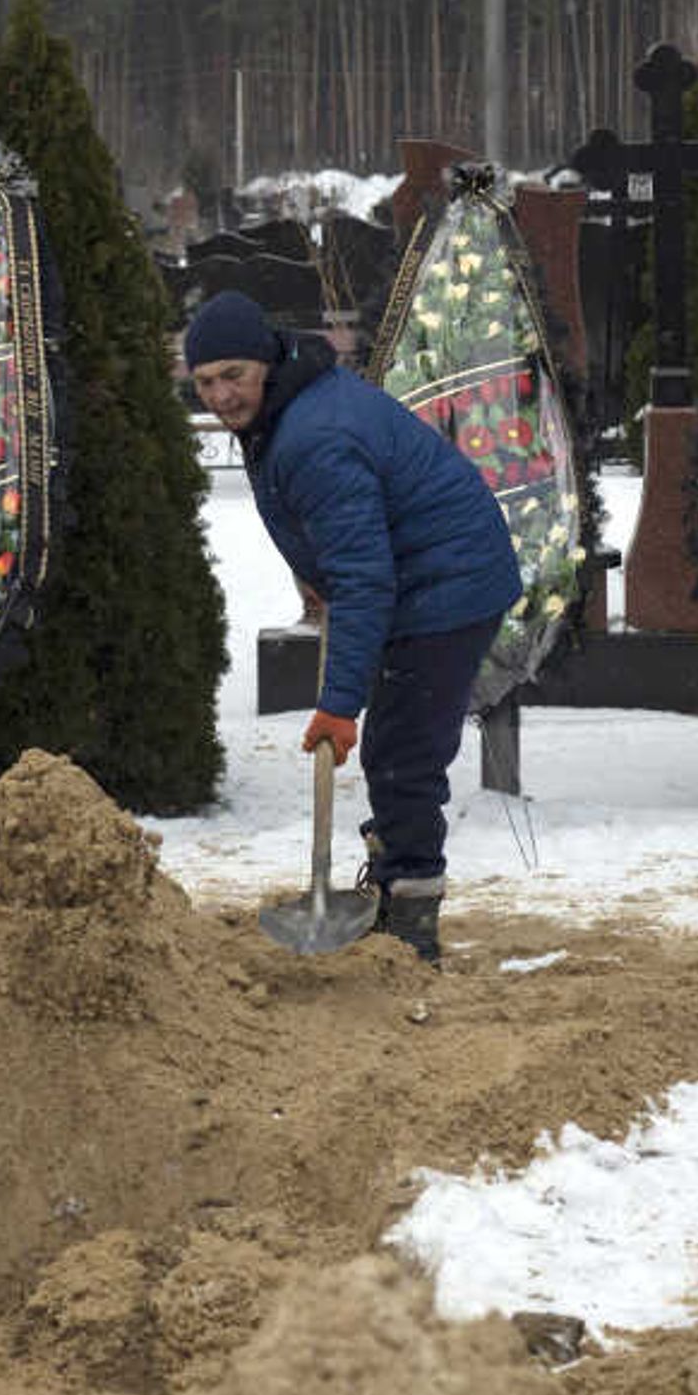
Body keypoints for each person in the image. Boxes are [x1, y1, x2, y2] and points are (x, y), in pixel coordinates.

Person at [182, 286, 518, 965]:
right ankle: (396, 873)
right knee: (398, 749)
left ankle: (411, 921)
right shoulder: (287, 412)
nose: (221, 396)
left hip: (448, 587)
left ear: (266, 364)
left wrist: (338, 704)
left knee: (403, 755)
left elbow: (365, 578)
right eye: (205, 382)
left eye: (233, 376)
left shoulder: (313, 435)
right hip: (420, 578)